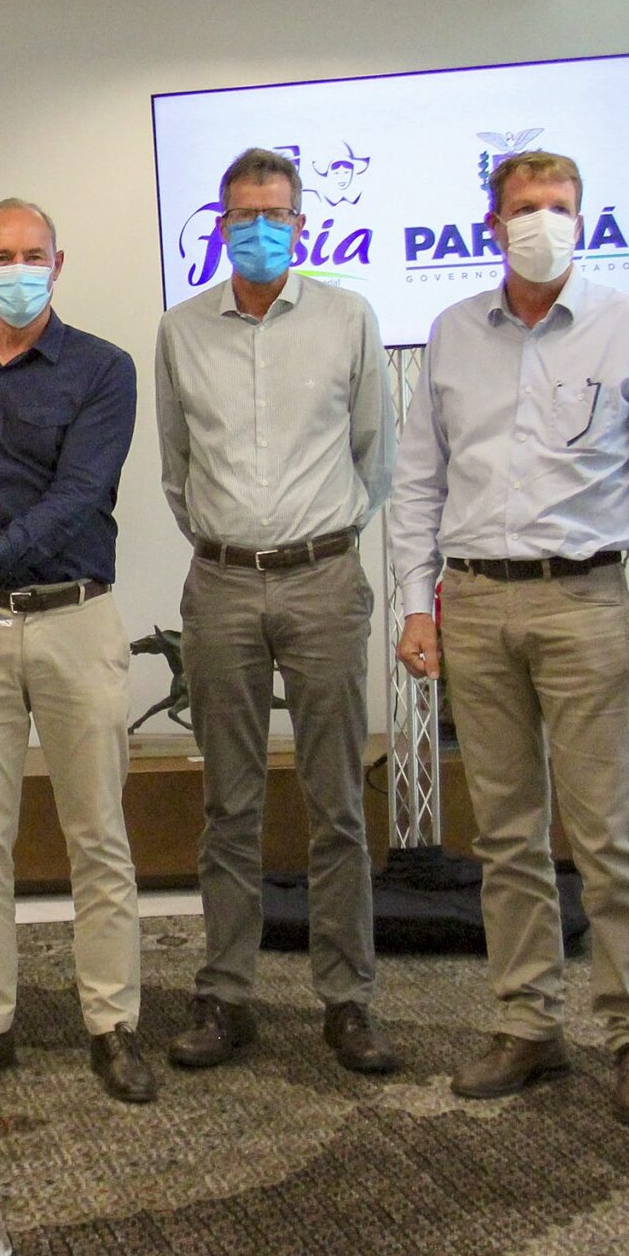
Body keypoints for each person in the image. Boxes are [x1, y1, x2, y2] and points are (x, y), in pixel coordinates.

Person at [389, 147, 629, 1126]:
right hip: (474, 603)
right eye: (522, 207)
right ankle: (527, 1023)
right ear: (490, 224)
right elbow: (418, 480)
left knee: (605, 829)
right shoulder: (450, 331)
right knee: (506, 834)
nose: (540, 222)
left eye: (558, 206)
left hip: (583, 598)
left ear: (584, 220)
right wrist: (415, 604)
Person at [153, 147, 399, 1078]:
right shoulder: (181, 329)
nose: (260, 228)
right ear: (220, 225)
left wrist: (310, 537)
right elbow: (177, 468)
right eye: (243, 214)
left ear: (301, 225)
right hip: (218, 582)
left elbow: (375, 455)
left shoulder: (348, 318)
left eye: (277, 214)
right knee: (230, 802)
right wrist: (234, 540)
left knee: (336, 799)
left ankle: (348, 999)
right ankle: (226, 995)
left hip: (323, 579)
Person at [0, 199, 151, 1103]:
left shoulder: (103, 368)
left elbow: (80, 496)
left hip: (74, 616)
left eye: (33, 254)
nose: (17, 268)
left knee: (99, 833)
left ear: (60, 262)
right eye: (0, 255)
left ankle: (113, 1023)